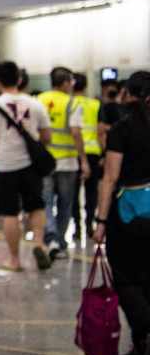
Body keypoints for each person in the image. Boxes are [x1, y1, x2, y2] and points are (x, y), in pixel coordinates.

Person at [92, 71, 150, 355]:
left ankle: (145, 337)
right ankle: (142, 344)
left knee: (127, 278)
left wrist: (100, 220)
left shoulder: (122, 129)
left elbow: (110, 177)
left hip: (128, 215)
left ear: (128, 95)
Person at [0, 61, 53, 271]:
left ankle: (14, 260)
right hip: (31, 167)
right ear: (20, 79)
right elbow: (47, 136)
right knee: (36, 206)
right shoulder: (36, 104)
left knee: (9, 213)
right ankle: (39, 244)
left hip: (3, 166)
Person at [38, 66, 87, 256]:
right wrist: (84, 160)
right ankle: (59, 241)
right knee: (65, 203)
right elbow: (76, 132)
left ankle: (50, 237)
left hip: (45, 162)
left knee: (46, 201)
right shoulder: (72, 103)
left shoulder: (39, 100)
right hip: (67, 162)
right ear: (65, 83)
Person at [76, 74, 104, 237]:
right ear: (86, 86)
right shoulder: (95, 104)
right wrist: (103, 152)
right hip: (93, 152)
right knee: (91, 192)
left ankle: (77, 231)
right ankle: (88, 226)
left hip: (74, 153)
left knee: (73, 195)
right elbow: (100, 130)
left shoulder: (70, 103)